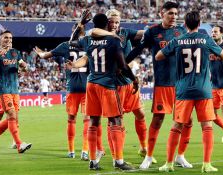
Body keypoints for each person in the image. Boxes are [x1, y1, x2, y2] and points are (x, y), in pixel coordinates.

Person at [155, 11, 223, 172]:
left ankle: (168, 164)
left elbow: (159, 56)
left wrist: (175, 54)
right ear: (199, 24)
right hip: (203, 90)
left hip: (183, 90)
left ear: (185, 24)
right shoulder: (206, 39)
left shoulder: (178, 40)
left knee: (177, 127)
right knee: (207, 126)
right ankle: (206, 164)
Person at [126, 1, 192, 169]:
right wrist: (123, 63)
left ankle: (180, 156)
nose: (174, 17)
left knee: (187, 120)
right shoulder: (153, 32)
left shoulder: (182, 31)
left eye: (176, 14)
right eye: (171, 13)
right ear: (162, 13)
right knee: (158, 119)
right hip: (163, 83)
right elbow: (138, 50)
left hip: (181, 84)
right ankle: (148, 156)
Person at [34, 15, 104, 160]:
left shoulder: (65, 45)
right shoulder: (89, 43)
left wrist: (40, 53)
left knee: (71, 119)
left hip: (72, 87)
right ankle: (85, 151)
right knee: (87, 119)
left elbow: (45, 55)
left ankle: (71, 151)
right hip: (87, 87)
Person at [72, 13, 137, 171]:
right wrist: (134, 78)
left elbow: (73, 40)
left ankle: (93, 161)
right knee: (115, 121)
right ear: (107, 23)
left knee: (94, 123)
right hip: (107, 84)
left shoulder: (88, 39)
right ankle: (119, 161)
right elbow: (122, 64)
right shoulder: (113, 40)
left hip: (91, 83)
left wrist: (81, 24)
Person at [90, 9, 148, 164]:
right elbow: (91, 31)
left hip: (128, 82)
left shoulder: (124, 32)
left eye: (117, 22)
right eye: (111, 21)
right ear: (106, 21)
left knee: (141, 114)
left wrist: (155, 30)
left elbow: (142, 33)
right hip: (114, 85)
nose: (114, 25)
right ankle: (117, 157)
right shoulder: (100, 36)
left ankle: (143, 148)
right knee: (115, 121)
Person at [0, 30, 32, 154]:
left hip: (15, 90)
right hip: (3, 90)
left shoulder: (16, 53)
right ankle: (19, 144)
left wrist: (24, 67)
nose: (9, 40)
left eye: (10, 38)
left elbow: (23, 66)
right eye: (6, 38)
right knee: (10, 115)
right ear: (0, 39)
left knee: (14, 118)